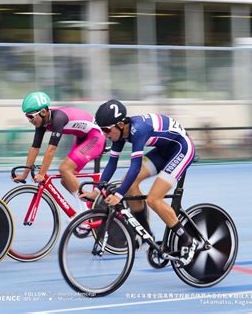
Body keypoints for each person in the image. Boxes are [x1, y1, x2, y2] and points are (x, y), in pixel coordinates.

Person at [81, 99, 197, 267]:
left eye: (106, 130)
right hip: (163, 151)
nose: (105, 134)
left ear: (121, 124)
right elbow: (112, 164)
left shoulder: (139, 130)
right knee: (128, 184)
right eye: (102, 130)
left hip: (182, 149)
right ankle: (146, 234)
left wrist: (119, 195)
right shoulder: (119, 133)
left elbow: (134, 167)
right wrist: (98, 190)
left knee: (154, 199)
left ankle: (187, 240)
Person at [13, 91, 106, 221]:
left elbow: (51, 150)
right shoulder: (42, 122)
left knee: (64, 168)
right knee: (65, 179)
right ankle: (90, 206)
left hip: (95, 137)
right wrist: (24, 174)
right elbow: (34, 148)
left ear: (43, 112)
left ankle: (84, 213)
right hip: (82, 137)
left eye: (31, 116)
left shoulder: (58, 119)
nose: (29, 120)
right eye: (27, 117)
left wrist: (42, 174)